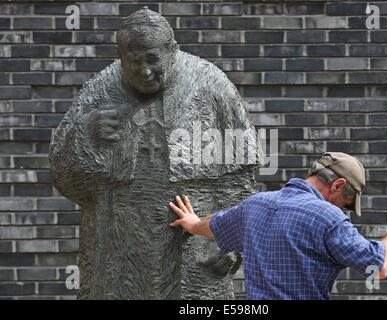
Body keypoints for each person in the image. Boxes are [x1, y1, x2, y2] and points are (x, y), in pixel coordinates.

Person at [50, 7, 259, 299]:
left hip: (192, 250)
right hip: (117, 253)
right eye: (134, 62)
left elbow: (242, 176)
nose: (145, 71)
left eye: (153, 60)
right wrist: (85, 134)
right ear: (120, 56)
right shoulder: (98, 92)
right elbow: (64, 178)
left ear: (172, 51)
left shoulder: (213, 87)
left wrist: (229, 238)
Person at [169, 152, 387, 299]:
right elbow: (380, 266)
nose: (343, 209)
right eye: (347, 202)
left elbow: (216, 224)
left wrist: (192, 224)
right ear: (339, 185)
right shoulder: (329, 218)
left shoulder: (255, 205)